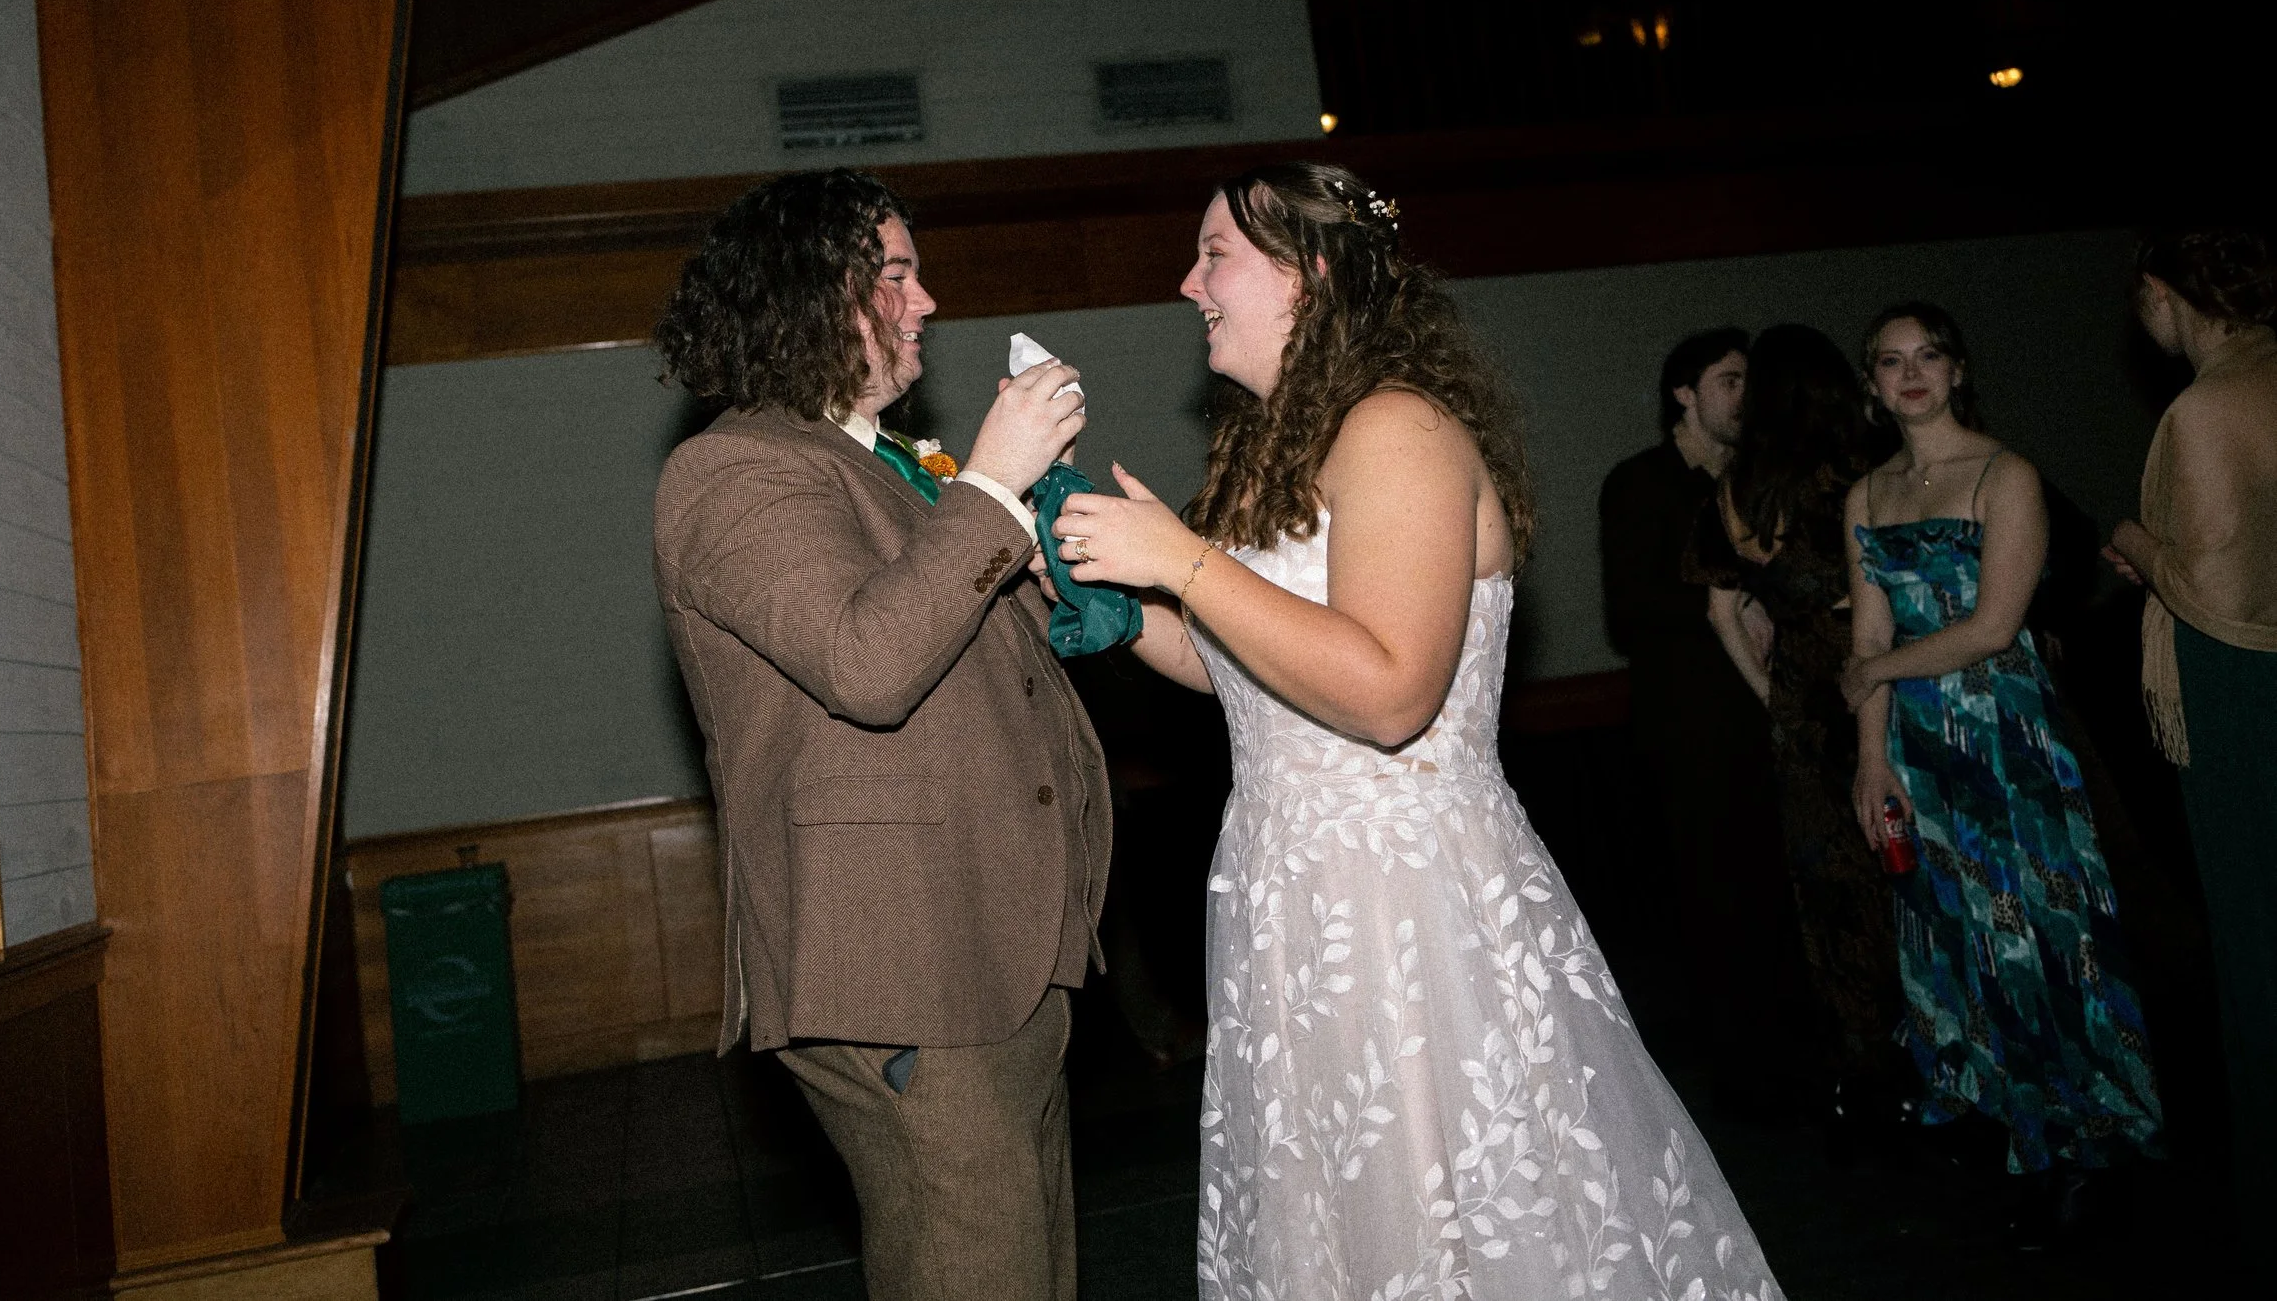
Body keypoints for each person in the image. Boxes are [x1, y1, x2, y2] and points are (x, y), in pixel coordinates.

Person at [1052, 164, 1781, 1301]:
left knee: (1459, 1209)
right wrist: (1115, 603)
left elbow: (1390, 690)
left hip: (1407, 904)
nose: (1186, 280)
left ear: (1316, 275)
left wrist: (1181, 559)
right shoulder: (1279, 445)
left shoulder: (1397, 428)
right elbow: (1247, 664)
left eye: (1215, 254)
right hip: (1289, 889)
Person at [650, 170, 1109, 1301]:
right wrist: (991, 486)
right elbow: (868, 664)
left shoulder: (877, 461)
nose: (928, 302)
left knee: (1029, 1265)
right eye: (896, 274)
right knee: (973, 1263)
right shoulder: (733, 468)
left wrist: (1051, 552)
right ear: (807, 294)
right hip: (901, 960)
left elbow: (974, 653)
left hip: (993, 940)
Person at [1842, 302, 2162, 1214]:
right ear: (1872, 385)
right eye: (1891, 361)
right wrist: (1873, 760)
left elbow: (1992, 627)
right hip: (1916, 743)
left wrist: (1870, 669)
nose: (1911, 374)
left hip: (2003, 738)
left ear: (1957, 368)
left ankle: (2075, 1140)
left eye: (1928, 355)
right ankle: (1997, 1108)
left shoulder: (2005, 474)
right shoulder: (1866, 495)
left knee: (2035, 929)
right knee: (1950, 927)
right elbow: (1868, 625)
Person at [1693, 323, 1908, 1143]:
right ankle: (1933, 1066)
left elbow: (1722, 610)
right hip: (1882, 678)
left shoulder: (1737, 487)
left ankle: (1864, 1080)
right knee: (1907, 876)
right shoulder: (1861, 473)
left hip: (1803, 706)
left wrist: (1777, 698)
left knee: (1834, 900)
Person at [2104, 231, 2277, 1206]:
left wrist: (2132, 537)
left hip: (2236, 684)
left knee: (2252, 929)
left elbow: (2208, 581)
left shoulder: (2208, 406)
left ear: (2163, 292)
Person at [1598, 328, 1809, 1113]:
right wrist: (1729, 603)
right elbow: (1630, 608)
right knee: (1717, 898)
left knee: (1783, 892)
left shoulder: (1764, 482)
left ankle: (1798, 1056)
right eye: (1729, 380)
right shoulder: (1641, 484)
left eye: (1750, 380)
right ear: (1683, 393)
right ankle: (1742, 1078)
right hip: (1692, 730)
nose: (1745, 396)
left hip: (1770, 717)